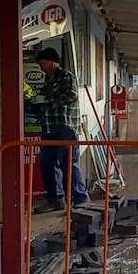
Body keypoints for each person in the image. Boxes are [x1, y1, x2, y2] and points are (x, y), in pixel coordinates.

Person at [32, 47, 90, 213]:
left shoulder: (65, 76)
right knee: (48, 165)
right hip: (48, 129)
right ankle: (56, 200)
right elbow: (41, 103)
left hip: (65, 128)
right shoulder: (47, 80)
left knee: (69, 164)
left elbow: (71, 96)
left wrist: (47, 99)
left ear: (51, 62)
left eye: (42, 63)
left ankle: (80, 199)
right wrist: (33, 102)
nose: (40, 67)